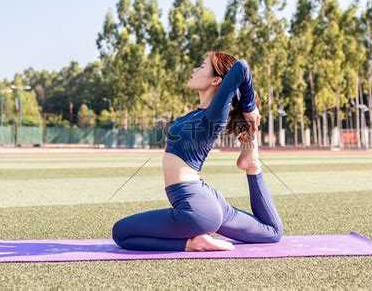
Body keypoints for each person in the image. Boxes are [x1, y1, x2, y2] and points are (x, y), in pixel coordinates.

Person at [112, 51, 283, 251]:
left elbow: (242, 67)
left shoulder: (213, 116)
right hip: (207, 199)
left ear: (216, 80)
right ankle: (253, 166)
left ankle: (192, 243)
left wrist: (249, 107)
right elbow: (273, 233)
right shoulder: (199, 113)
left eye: (202, 67)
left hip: (195, 205)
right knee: (272, 232)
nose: (195, 69)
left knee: (121, 233)